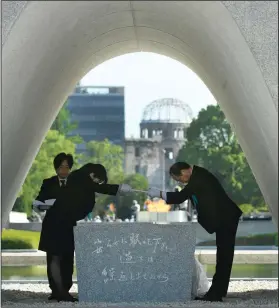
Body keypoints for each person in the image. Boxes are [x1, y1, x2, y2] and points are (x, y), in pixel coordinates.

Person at [147, 162, 242, 302]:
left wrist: (159, 194)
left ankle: (216, 294)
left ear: (185, 171)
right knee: (223, 256)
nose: (180, 182)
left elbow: (180, 197)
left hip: (226, 218)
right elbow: (184, 195)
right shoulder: (197, 176)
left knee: (224, 256)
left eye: (179, 179)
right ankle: (218, 291)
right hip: (225, 219)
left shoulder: (199, 178)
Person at [38, 163, 133, 302]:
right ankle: (61, 292)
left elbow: (96, 187)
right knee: (58, 257)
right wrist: (118, 189)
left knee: (59, 257)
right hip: (59, 223)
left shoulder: (77, 178)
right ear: (93, 175)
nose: (97, 183)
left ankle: (59, 291)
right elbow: (100, 188)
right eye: (98, 180)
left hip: (62, 222)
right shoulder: (81, 178)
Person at [33, 153, 74, 301]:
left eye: (66, 167)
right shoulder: (48, 182)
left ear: (70, 168)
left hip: (68, 226)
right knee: (53, 259)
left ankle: (66, 290)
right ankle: (56, 291)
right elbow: (39, 200)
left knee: (68, 259)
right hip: (52, 226)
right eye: (61, 167)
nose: (63, 170)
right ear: (56, 168)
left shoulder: (74, 184)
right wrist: (39, 205)